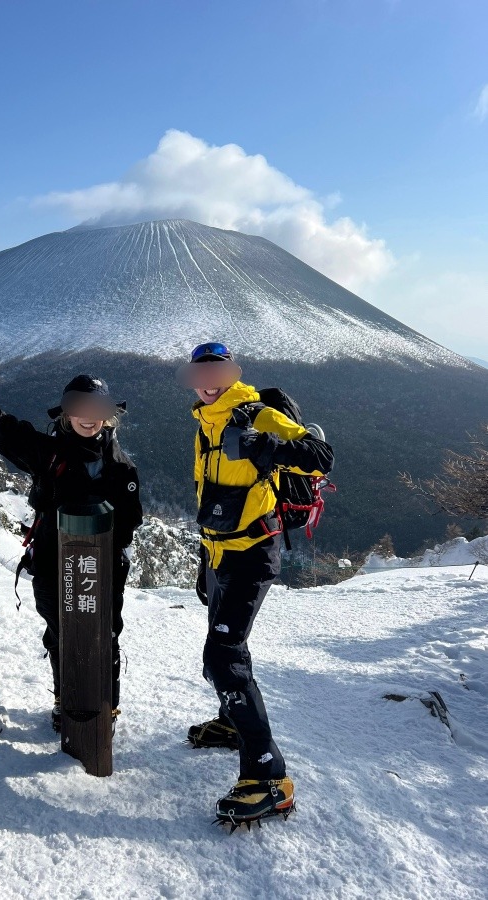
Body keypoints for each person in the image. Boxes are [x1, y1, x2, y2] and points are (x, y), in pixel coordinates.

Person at [0, 345, 143, 731]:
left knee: (105, 635)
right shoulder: (47, 453)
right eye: (79, 407)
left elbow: (130, 522)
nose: (89, 417)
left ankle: (106, 706)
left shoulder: (121, 467)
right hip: (53, 563)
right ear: (66, 412)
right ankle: (65, 699)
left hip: (102, 568)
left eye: (97, 409)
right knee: (61, 633)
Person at [177, 341, 334, 828]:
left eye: (217, 371)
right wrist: (206, 560)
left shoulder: (257, 413)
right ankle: (233, 722)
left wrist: (267, 446)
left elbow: (319, 456)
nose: (207, 381)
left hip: (252, 554)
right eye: (199, 372)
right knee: (228, 655)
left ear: (233, 372)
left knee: (221, 656)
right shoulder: (205, 419)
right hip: (220, 554)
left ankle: (270, 780)